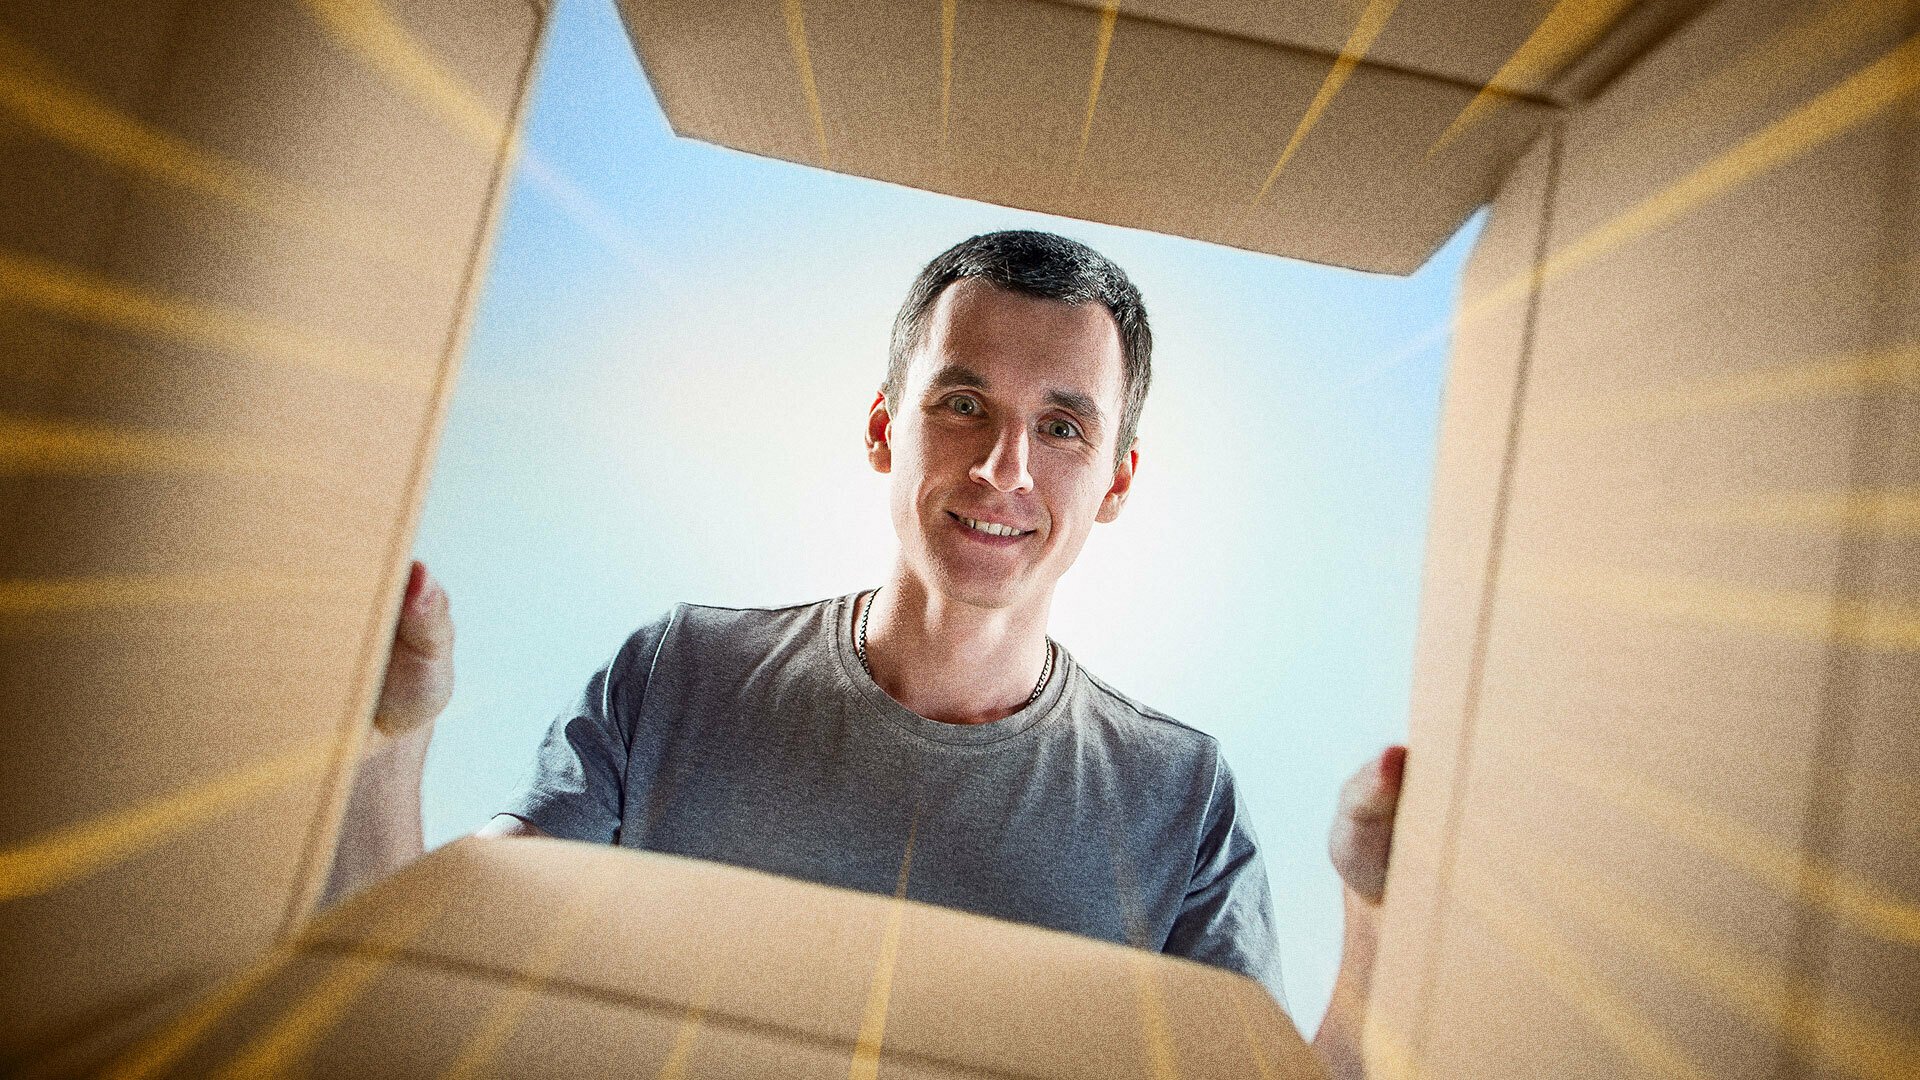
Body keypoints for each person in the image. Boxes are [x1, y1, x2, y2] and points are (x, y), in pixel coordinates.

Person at [326, 230, 1407, 1080]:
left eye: (1064, 428)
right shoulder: (679, 679)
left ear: (1118, 480)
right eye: (963, 404)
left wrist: (1375, 918)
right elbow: (415, 988)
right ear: (886, 428)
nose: (1002, 468)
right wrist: (389, 740)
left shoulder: (1180, 799)